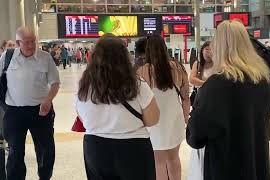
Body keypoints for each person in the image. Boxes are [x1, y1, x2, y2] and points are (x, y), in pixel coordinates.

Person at [186, 20, 270, 180]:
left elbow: (196, 135)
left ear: (220, 47)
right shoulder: (262, 79)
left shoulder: (216, 85)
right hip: (255, 166)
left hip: (226, 168)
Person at [75, 37, 160, 180]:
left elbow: (82, 117)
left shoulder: (84, 86)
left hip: (96, 148)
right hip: (133, 147)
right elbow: (153, 119)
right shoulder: (137, 85)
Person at [1, 27, 60, 180]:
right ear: (18, 43)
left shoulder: (45, 57)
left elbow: (55, 83)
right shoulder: (7, 57)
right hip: (14, 112)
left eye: (33, 41)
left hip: (41, 111)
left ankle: (45, 176)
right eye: (26, 42)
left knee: (46, 150)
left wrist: (48, 101)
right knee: (15, 151)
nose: (31, 45)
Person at [137, 35, 190, 180]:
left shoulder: (142, 71)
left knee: (158, 161)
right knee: (174, 158)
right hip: (175, 118)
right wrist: (185, 118)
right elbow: (186, 97)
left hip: (154, 121)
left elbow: (139, 101)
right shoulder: (178, 67)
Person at [187, 41, 213, 180]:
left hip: (214, 102)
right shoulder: (198, 64)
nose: (208, 52)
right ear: (202, 51)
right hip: (201, 101)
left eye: (211, 49)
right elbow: (192, 79)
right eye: (206, 49)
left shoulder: (219, 64)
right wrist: (209, 85)